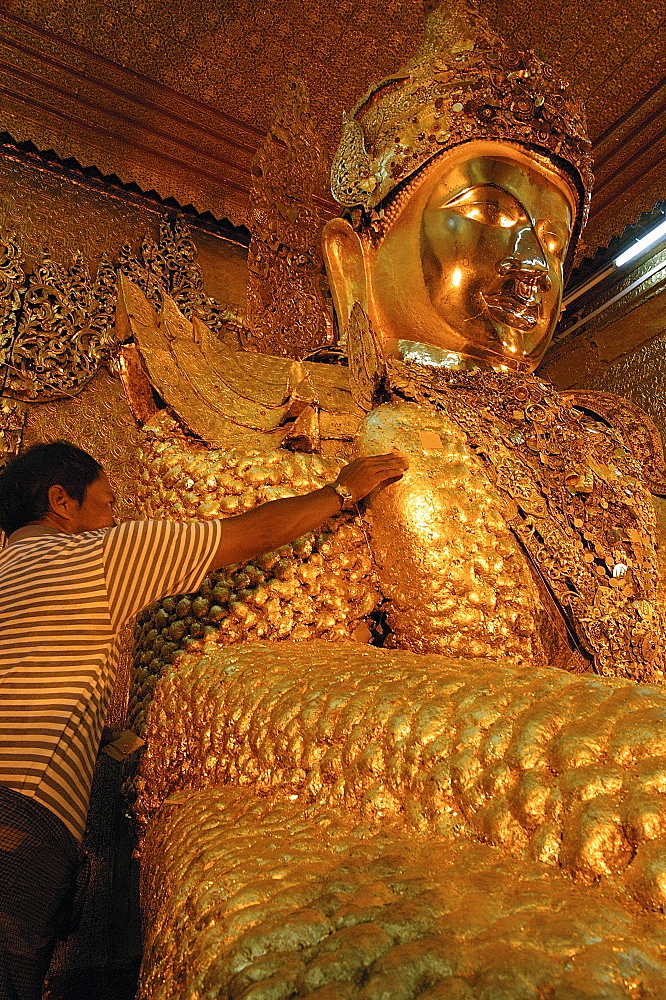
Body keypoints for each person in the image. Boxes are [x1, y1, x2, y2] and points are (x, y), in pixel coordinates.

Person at [0, 439, 407, 1000]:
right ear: (61, 501)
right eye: (108, 502)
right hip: (20, 810)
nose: (115, 516)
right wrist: (342, 491)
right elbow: (250, 535)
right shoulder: (92, 556)